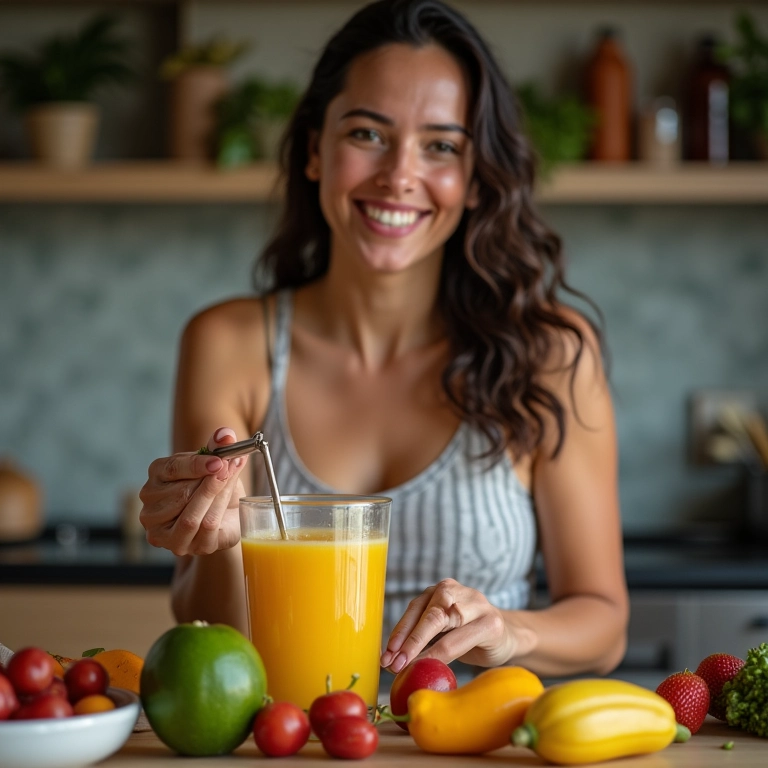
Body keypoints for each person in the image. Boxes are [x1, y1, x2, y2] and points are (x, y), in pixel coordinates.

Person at [139, 0, 628, 680]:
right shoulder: (228, 343)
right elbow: (221, 638)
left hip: (473, 745)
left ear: (477, 178)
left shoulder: (550, 353)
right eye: (368, 134)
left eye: (441, 145)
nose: (400, 175)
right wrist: (217, 544)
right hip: (298, 746)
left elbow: (602, 621)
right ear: (315, 150)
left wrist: (508, 630)